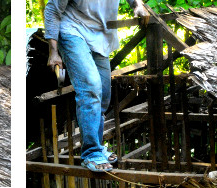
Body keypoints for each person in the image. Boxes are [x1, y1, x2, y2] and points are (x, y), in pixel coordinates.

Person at [44, 0, 150, 172]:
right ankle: (91, 152)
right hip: (73, 29)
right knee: (90, 88)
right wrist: (53, 51)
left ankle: (98, 146)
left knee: (103, 95)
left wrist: (137, 5)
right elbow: (53, 10)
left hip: (100, 34)